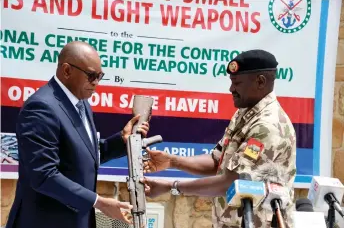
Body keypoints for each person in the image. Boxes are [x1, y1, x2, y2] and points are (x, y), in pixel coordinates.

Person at [141, 49, 297, 228]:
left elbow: (231, 182)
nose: (231, 89)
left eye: (237, 83)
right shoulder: (244, 114)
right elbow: (218, 161)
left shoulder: (268, 126)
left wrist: (171, 186)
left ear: (260, 81)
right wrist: (173, 161)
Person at [6, 41, 150, 228]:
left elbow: (81, 155)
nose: (96, 83)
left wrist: (121, 140)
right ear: (67, 71)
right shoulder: (41, 108)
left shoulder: (81, 103)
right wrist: (98, 202)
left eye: (100, 76)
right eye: (91, 76)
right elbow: (43, 175)